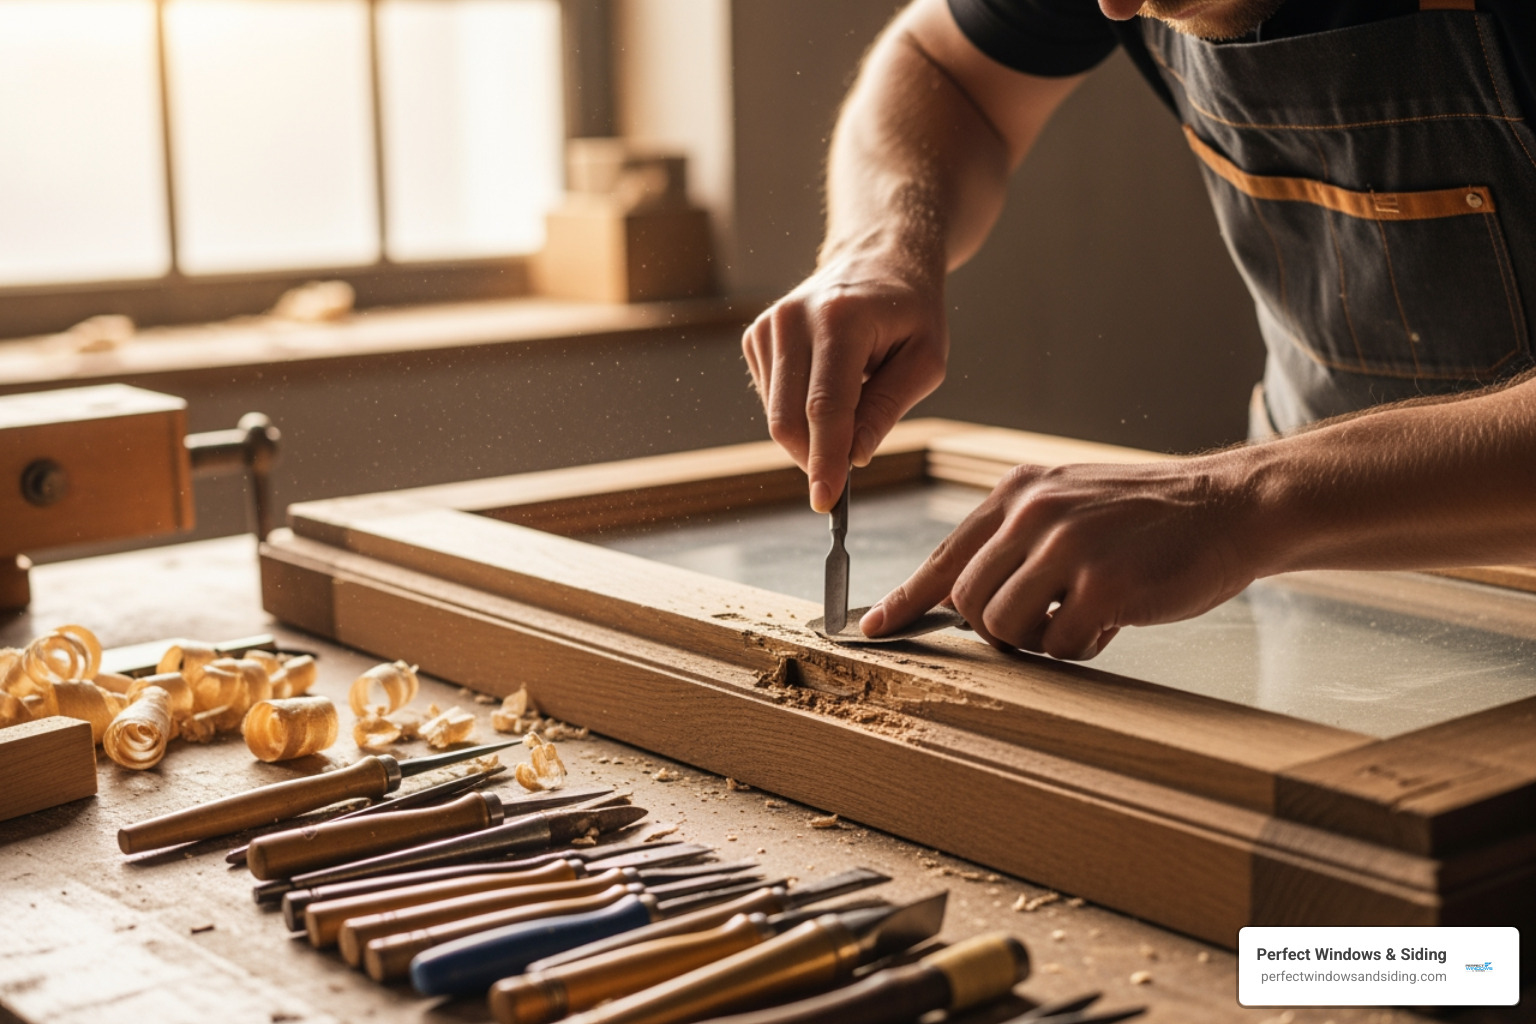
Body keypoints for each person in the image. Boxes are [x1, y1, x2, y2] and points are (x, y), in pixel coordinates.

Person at [741, 0, 1536, 661]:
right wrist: (880, 247)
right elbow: (947, 68)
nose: (1115, 7)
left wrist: (1244, 500)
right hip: (1317, 577)